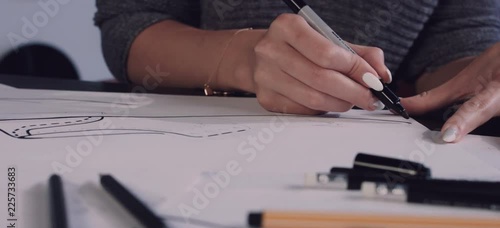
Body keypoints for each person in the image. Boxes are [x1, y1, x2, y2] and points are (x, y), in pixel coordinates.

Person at [94, 0, 500, 143]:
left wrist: (483, 79)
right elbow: (129, 24)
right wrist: (242, 58)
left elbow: (460, 48)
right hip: (188, 146)